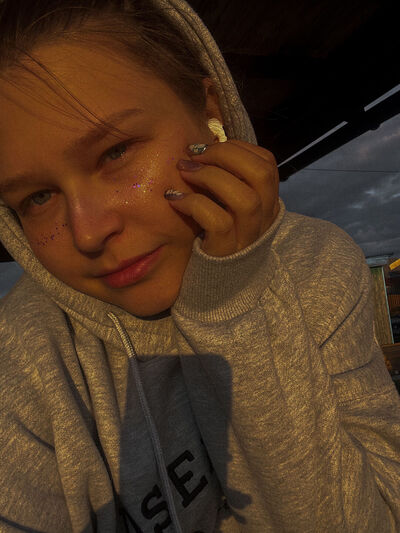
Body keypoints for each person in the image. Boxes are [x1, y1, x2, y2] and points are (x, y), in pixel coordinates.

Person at [0, 0, 399, 531]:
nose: (88, 232)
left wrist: (232, 307)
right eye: (37, 197)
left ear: (211, 113)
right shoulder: (22, 360)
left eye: (115, 152)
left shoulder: (315, 264)